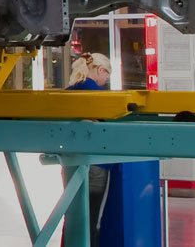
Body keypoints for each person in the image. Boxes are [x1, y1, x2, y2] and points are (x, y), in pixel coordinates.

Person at [63, 52, 115, 246]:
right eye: (107, 73)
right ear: (100, 70)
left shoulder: (69, 91)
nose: (107, 79)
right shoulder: (99, 95)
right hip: (95, 165)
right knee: (91, 217)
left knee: (71, 215)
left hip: (70, 162)